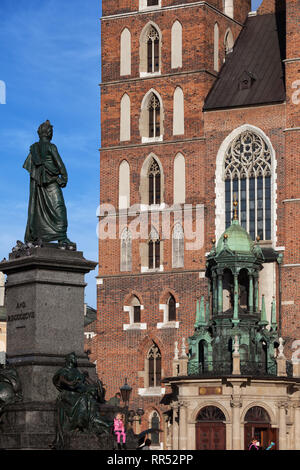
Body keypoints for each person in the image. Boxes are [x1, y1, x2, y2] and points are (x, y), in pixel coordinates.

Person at [23, 120, 75, 249]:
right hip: (51, 182)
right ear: (49, 133)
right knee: (59, 208)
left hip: (39, 184)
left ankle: (38, 236)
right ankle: (62, 237)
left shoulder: (34, 148)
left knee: (39, 210)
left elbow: (31, 168)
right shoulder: (51, 147)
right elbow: (59, 163)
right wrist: (64, 177)